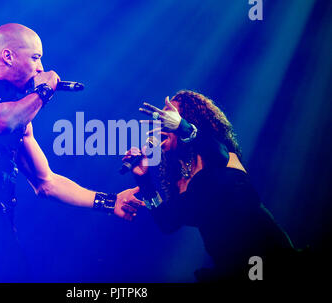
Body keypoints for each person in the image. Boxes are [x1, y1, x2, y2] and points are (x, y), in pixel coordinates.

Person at [0, 23, 142, 282]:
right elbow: (1, 120)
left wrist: (110, 201)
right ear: (8, 56)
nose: (41, 68)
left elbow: (46, 183)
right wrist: (44, 90)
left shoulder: (19, 114)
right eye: (36, 57)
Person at [125, 90, 297, 282]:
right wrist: (145, 181)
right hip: (231, 264)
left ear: (188, 119)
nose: (162, 124)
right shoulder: (180, 177)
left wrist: (183, 127)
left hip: (265, 251)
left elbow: (218, 155)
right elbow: (168, 223)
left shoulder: (216, 150)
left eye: (168, 116)